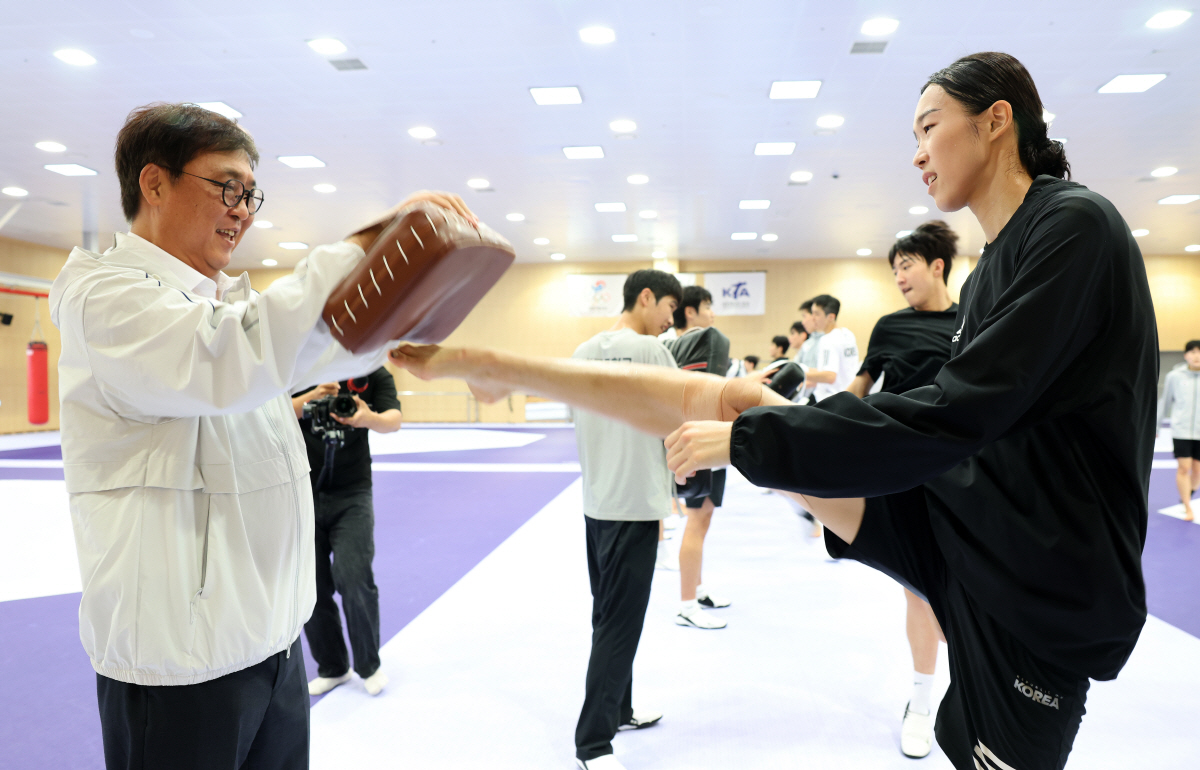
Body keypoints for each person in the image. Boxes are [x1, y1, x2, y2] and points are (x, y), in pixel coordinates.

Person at [388, 51, 1157, 770]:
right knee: (737, 398)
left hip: (1038, 579)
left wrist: (749, 442)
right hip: (967, 524)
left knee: (749, 421)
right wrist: (481, 365)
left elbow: (958, 414)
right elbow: (932, 417)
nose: (918, 152)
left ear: (996, 120)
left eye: (929, 127)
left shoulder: (1074, 226)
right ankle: (489, 365)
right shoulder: (991, 270)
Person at [49, 102, 476, 770]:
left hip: (271, 645)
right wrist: (375, 243)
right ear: (153, 183)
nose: (243, 209)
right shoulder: (106, 296)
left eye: (250, 193)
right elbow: (228, 358)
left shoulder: (220, 304)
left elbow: (309, 350)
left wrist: (402, 305)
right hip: (179, 665)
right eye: (227, 186)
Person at [845, 220, 961, 759]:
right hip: (906, 472)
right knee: (917, 586)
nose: (899, 277)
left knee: (968, 588)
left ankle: (973, 691)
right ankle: (921, 700)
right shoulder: (889, 327)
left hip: (971, 474)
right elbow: (860, 389)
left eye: (906, 266)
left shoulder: (975, 322)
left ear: (937, 266)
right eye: (894, 270)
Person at [571, 269, 680, 770]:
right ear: (645, 298)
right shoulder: (654, 353)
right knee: (621, 623)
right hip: (635, 506)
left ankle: (620, 709)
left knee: (608, 615)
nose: (668, 321)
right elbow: (675, 423)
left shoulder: (583, 352)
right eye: (668, 310)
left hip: (597, 504)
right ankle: (594, 743)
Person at [292, 369, 402, 697]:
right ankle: (333, 667)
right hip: (302, 491)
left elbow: (393, 419)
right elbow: (267, 411)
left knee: (354, 576)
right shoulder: (298, 363)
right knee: (311, 586)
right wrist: (308, 400)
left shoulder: (371, 370)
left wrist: (367, 417)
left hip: (352, 493)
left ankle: (369, 664)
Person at [664, 286, 732, 630]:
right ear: (689, 311)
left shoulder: (697, 347)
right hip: (695, 441)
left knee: (703, 516)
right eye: (708, 306)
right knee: (695, 518)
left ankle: (697, 587)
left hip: (712, 440)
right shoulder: (682, 345)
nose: (712, 313)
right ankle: (686, 604)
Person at [1158, 340, 1200, 521]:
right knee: (1184, 468)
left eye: (1199, 351)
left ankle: (1188, 492)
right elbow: (1165, 401)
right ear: (1185, 355)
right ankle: (1187, 505)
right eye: (1192, 351)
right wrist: (1157, 425)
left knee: (1197, 471)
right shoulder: (1175, 376)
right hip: (1181, 431)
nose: (1196, 355)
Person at [804, 295, 860, 402]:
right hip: (850, 397)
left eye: (817, 314)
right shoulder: (848, 334)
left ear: (831, 317)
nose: (812, 318)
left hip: (832, 400)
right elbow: (840, 370)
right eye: (812, 313)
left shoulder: (827, 339)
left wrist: (800, 375)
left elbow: (830, 376)